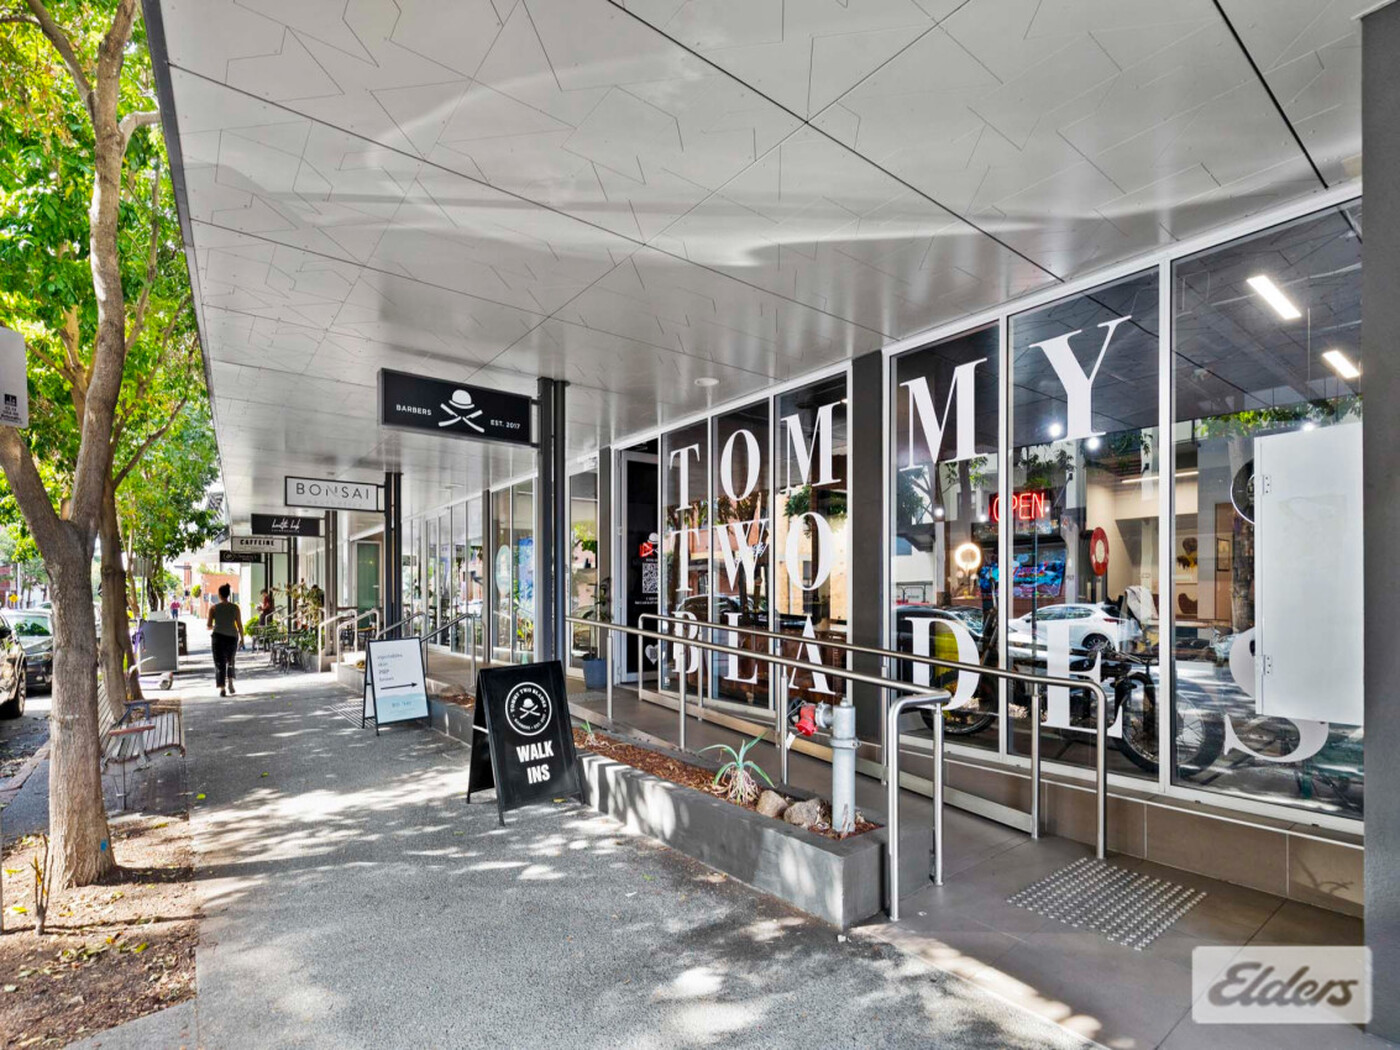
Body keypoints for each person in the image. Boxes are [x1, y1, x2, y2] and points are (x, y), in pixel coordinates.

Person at [207, 582, 244, 697]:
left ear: (219, 595)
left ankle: (222, 688)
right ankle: (230, 682)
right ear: (228, 594)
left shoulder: (213, 608)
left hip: (218, 637)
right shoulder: (235, 608)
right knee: (230, 660)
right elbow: (239, 624)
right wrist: (242, 638)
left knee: (219, 662)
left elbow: (209, 625)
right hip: (232, 637)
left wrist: (216, 626)